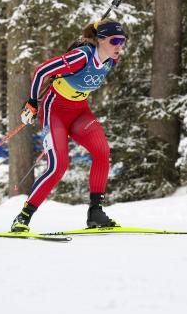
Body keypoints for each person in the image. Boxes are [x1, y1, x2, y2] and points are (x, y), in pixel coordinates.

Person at [10, 19, 127, 232]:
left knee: (102, 150)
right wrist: (32, 103)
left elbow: (98, 36)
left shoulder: (110, 59)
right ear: (100, 39)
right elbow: (41, 71)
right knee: (58, 165)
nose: (120, 46)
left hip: (80, 111)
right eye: (115, 40)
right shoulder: (82, 56)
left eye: (123, 41)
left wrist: (100, 27)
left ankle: (96, 213)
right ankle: (23, 217)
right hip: (55, 110)